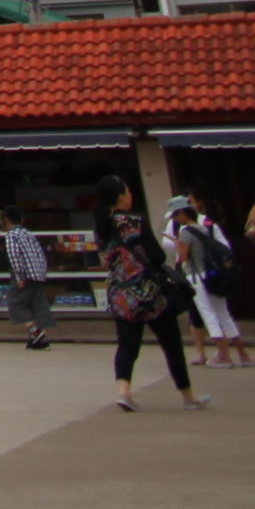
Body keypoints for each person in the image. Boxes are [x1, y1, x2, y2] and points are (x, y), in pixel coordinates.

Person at [84, 174, 201, 414]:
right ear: (121, 196)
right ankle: (188, 397)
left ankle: (124, 392)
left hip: (120, 295)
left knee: (127, 346)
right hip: (150, 293)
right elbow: (157, 257)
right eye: (127, 191)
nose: (130, 194)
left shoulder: (100, 227)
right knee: (171, 346)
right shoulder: (135, 222)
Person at [162, 196, 248, 368]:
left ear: (182, 213)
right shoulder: (203, 228)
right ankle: (243, 354)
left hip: (197, 277)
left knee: (208, 315)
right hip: (213, 275)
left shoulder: (186, 232)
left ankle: (224, 356)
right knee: (224, 314)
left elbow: (184, 257)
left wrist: (178, 244)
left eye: (175, 216)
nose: (174, 220)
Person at [0, 208, 52, 351]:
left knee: (14, 303)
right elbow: (40, 253)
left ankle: (34, 331)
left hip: (25, 274)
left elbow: (15, 257)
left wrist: (19, 276)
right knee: (38, 304)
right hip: (38, 273)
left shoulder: (12, 235)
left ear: (6, 220)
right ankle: (40, 339)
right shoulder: (28, 233)